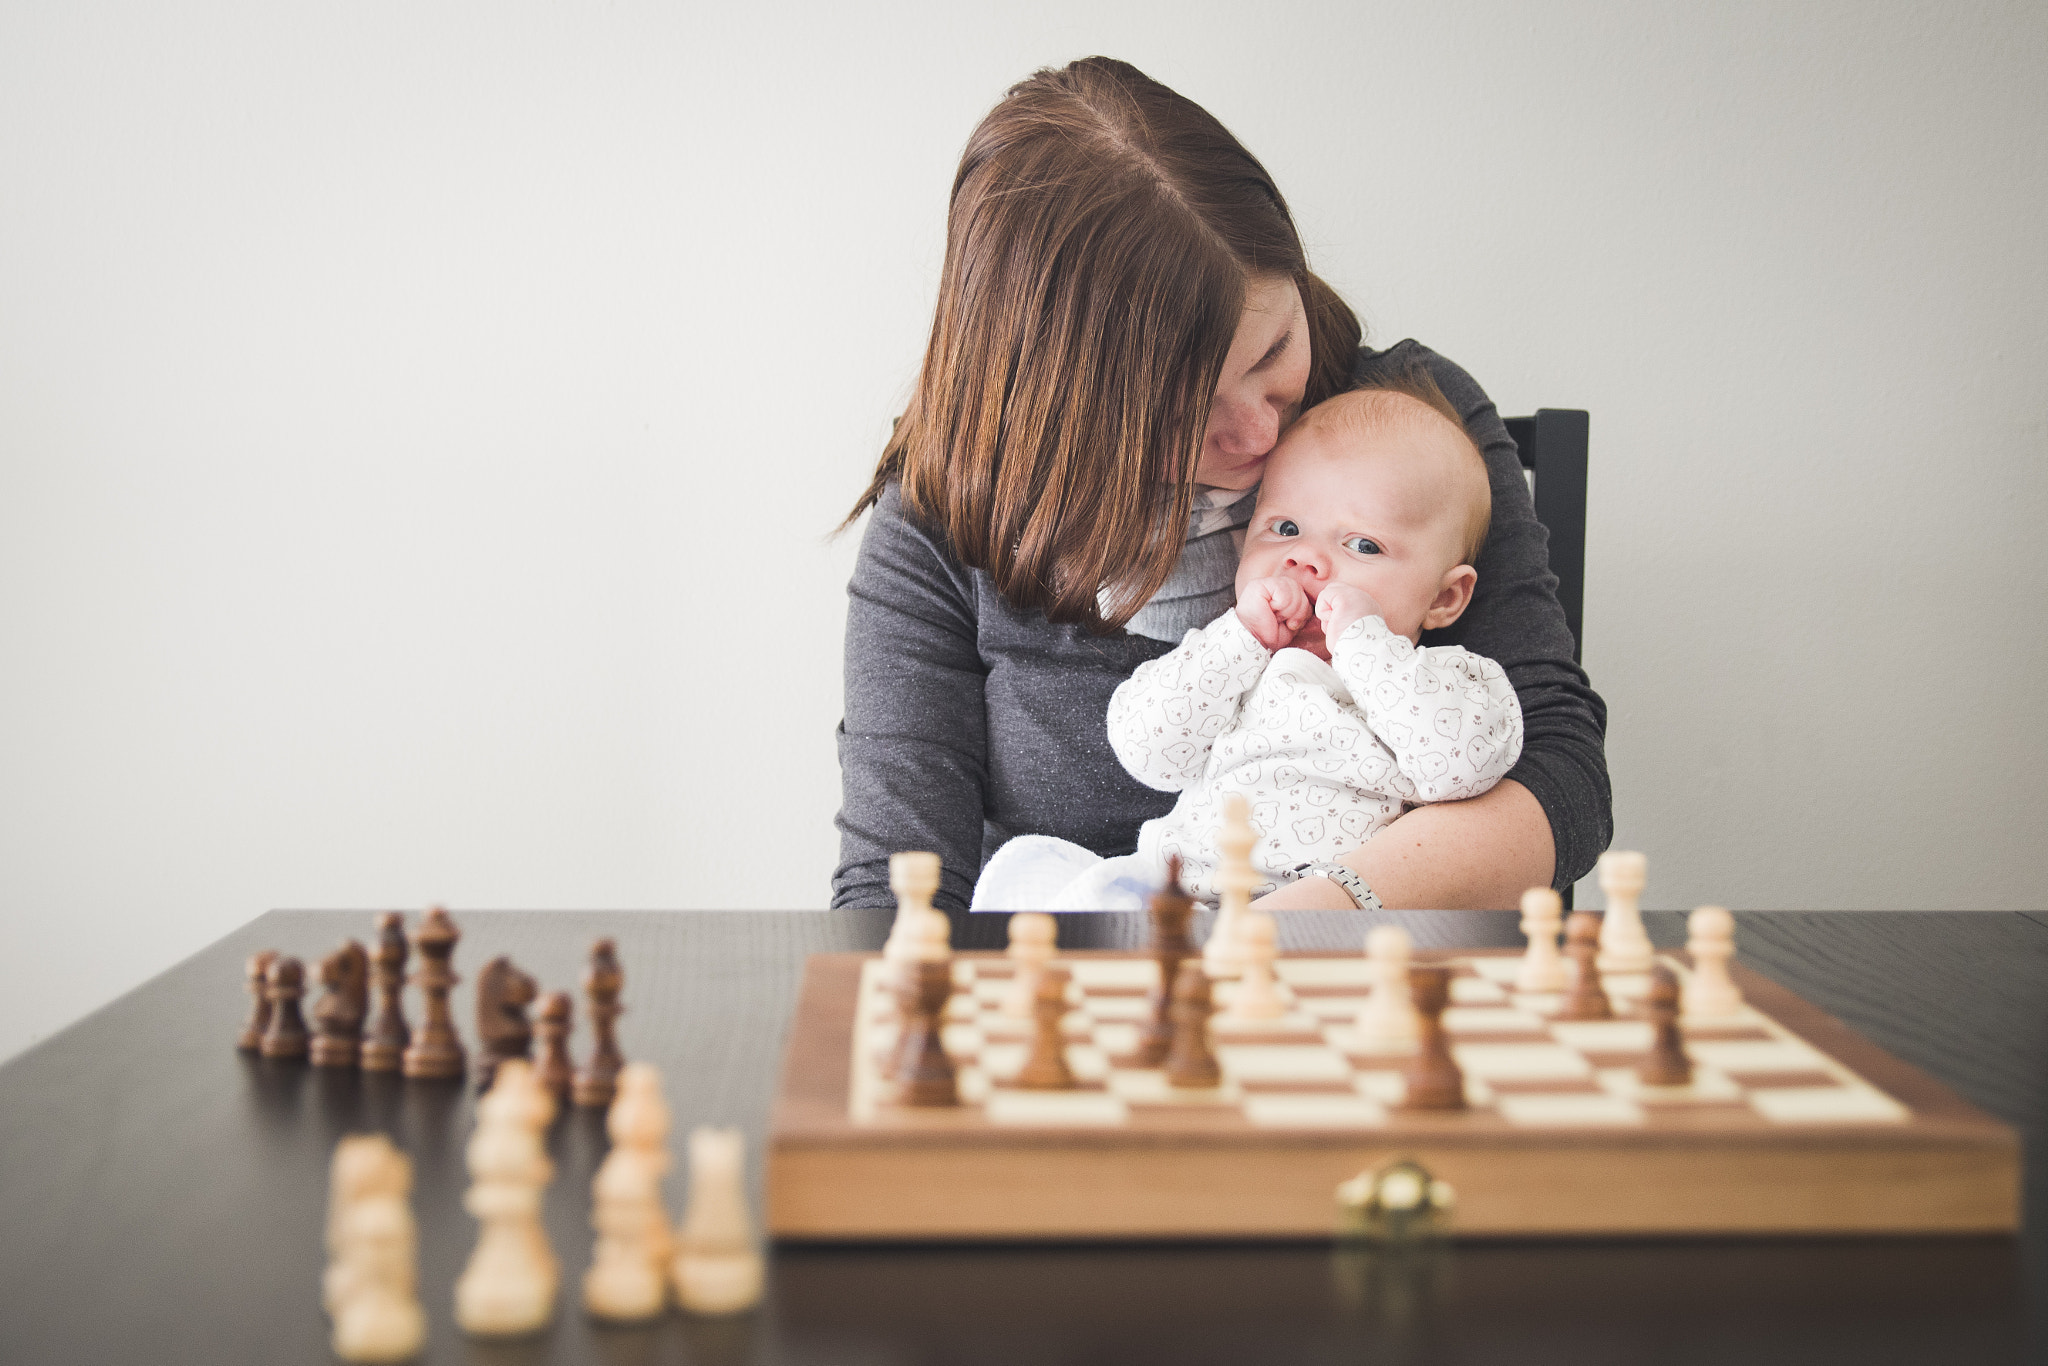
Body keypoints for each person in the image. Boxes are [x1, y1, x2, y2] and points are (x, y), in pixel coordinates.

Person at [833, 57, 1608, 915]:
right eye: (1183, 418)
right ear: (1070, 420)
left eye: (1274, 354)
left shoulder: (1416, 436)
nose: (1261, 434)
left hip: (1362, 971)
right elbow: (894, 891)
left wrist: (1314, 918)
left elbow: (1561, 776)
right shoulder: (944, 522)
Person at [970, 374, 1522, 911]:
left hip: (1333, 913)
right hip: (1183, 897)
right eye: (1285, 529)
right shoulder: (1236, 664)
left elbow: (1458, 769)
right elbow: (1148, 751)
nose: (1306, 559)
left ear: (1446, 598)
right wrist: (1239, 638)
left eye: (1363, 544)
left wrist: (1366, 646)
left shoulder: (1452, 682)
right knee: (1039, 877)